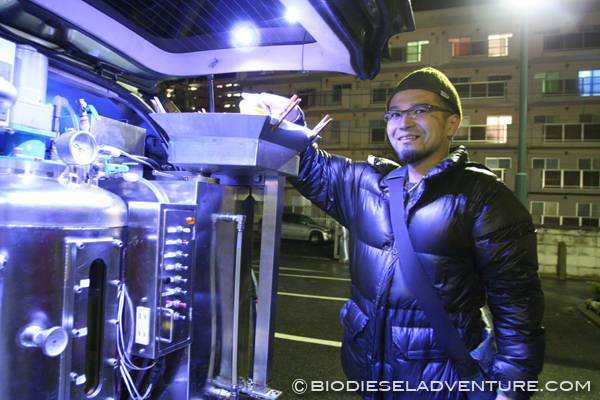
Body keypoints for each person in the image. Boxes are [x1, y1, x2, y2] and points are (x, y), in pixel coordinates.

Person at [249, 67, 545, 400]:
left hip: (441, 384)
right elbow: (309, 165)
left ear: (452, 123)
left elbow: (517, 303)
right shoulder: (368, 186)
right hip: (369, 376)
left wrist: (512, 388)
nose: (403, 123)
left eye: (420, 110)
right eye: (394, 114)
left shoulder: (483, 197)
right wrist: (289, 122)